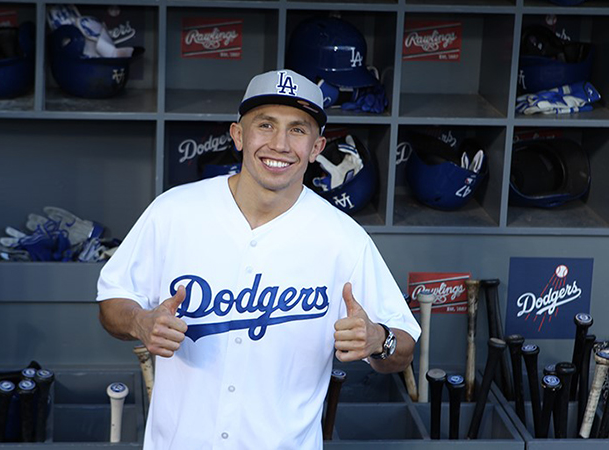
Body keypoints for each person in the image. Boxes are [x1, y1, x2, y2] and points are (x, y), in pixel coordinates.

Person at [96, 69, 421, 449]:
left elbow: (404, 347)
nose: (280, 144)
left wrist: (378, 341)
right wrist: (139, 321)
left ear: (317, 147)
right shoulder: (173, 212)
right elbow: (111, 301)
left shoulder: (343, 239)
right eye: (265, 125)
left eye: (298, 129)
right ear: (238, 135)